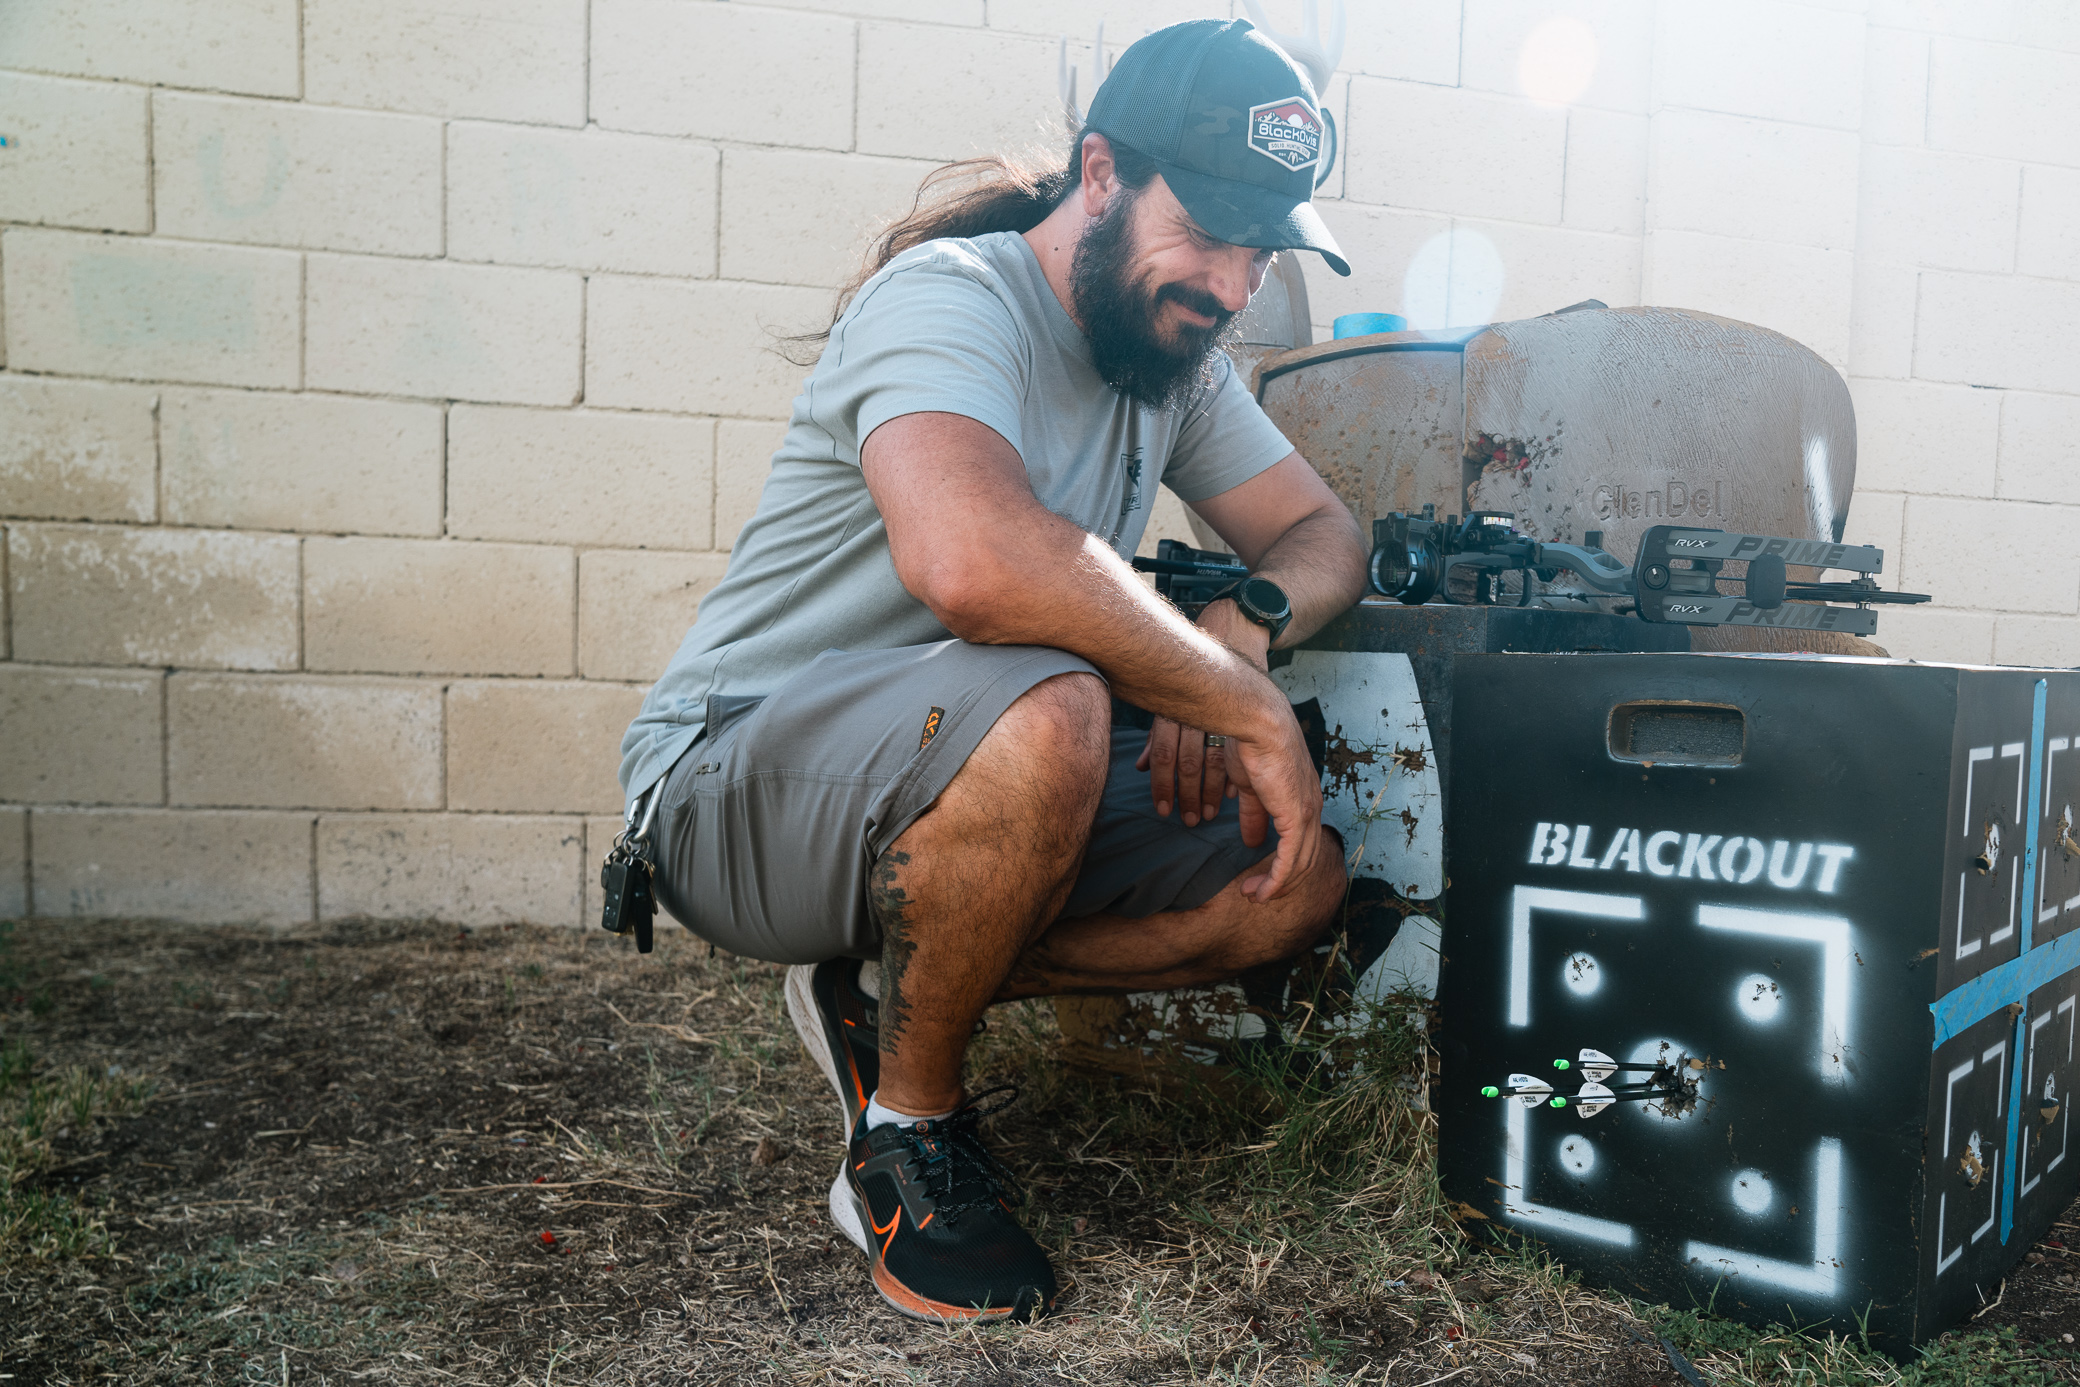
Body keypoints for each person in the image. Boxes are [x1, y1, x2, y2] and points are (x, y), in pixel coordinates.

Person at [617, 19, 1367, 1325]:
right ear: (1099, 175)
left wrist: (1243, 625)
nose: (1236, 286)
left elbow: (1324, 536)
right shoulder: (952, 298)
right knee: (1054, 703)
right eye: (1209, 233)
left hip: (966, 766)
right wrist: (1232, 698)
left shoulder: (1170, 359)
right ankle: (908, 1130)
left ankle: (885, 996)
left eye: (1264, 250)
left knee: (1287, 878)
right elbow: (975, 563)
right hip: (728, 780)